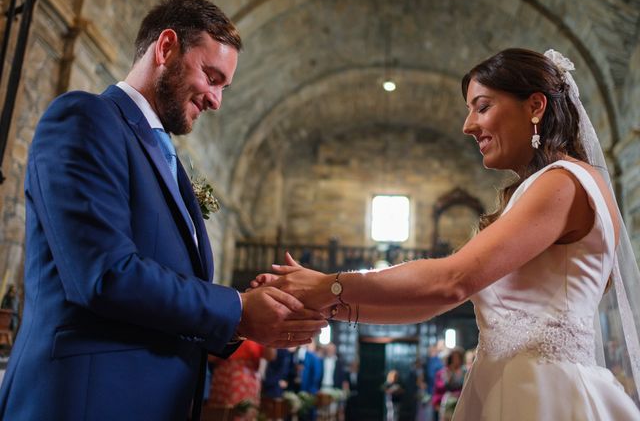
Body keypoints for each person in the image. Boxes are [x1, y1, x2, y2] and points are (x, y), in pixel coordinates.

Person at [254, 48, 640, 419]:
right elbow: (431, 302)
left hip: (546, 395)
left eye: (483, 106)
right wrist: (321, 302)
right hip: (514, 384)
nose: (468, 125)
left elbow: (451, 281)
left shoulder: (562, 183)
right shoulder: (549, 185)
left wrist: (329, 286)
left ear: (535, 106)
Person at [0, 0, 326, 421]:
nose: (216, 100)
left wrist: (245, 304)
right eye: (211, 77)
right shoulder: (86, 118)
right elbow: (105, 274)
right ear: (166, 47)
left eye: (224, 87)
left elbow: (167, 286)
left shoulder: (167, 159)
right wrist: (238, 311)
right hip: (87, 400)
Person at [208, 340, 276, 420]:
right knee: (222, 413)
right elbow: (210, 357)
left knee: (245, 412)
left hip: (248, 380)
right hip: (225, 377)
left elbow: (271, 356)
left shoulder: (259, 332)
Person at [432, 348, 465, 421]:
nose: (455, 360)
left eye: (457, 357)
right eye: (453, 357)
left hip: (461, 402)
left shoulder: (464, 371)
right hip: (447, 402)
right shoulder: (445, 372)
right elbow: (445, 386)